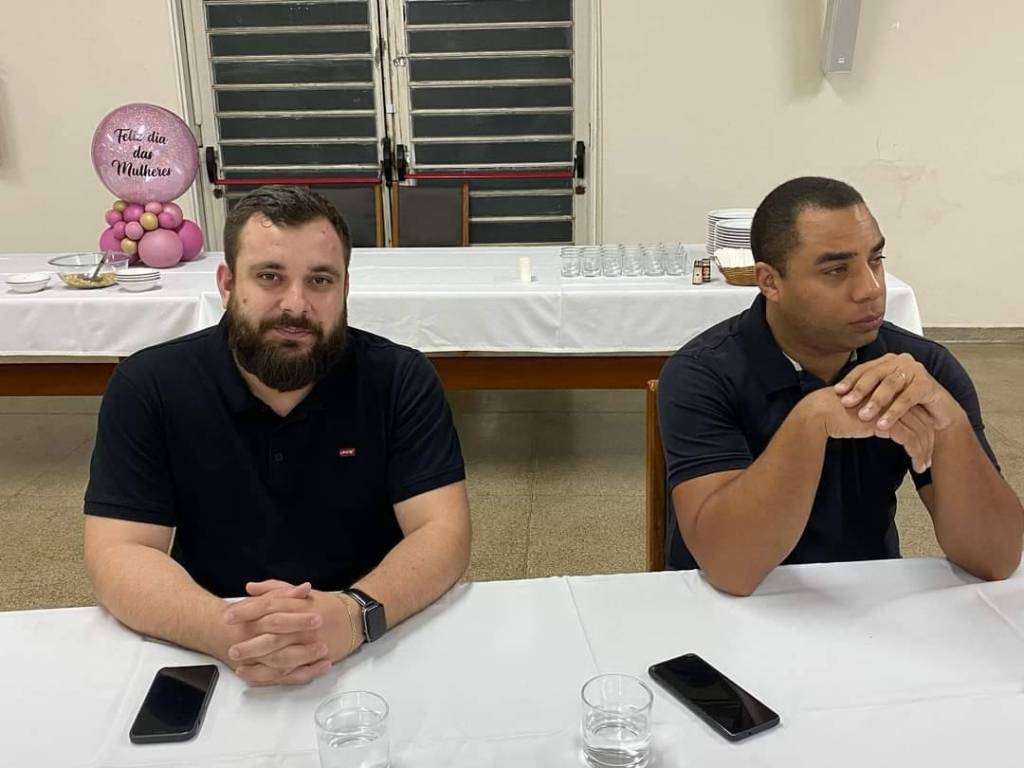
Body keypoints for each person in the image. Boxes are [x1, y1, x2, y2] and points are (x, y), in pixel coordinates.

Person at [84, 185, 471, 685]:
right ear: (227, 284)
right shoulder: (148, 386)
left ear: (345, 288)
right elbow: (120, 552)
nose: (296, 304)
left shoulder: (399, 379)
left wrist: (353, 614)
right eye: (270, 276)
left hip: (377, 629)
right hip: (207, 634)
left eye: (320, 280)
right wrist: (228, 631)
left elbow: (441, 532)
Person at [658, 176, 1022, 596]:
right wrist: (811, 421)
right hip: (725, 610)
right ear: (770, 282)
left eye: (876, 259)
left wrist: (949, 422)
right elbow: (732, 569)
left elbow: (996, 558)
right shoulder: (702, 374)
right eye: (836, 270)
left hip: (867, 599)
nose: (871, 288)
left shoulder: (921, 368)